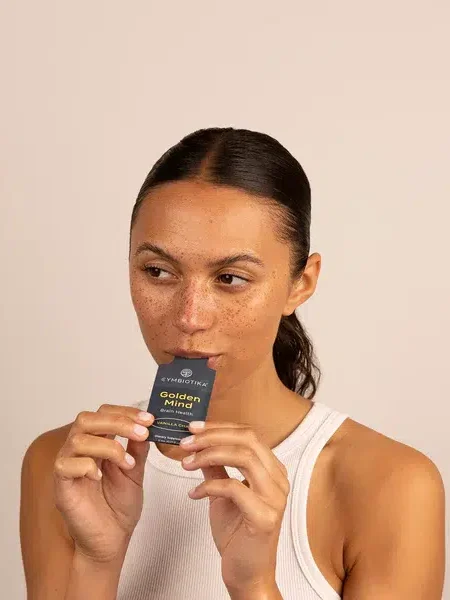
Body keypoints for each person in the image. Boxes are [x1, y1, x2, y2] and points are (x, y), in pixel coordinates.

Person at [20, 127, 445, 600]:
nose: (189, 317)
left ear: (300, 284)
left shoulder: (390, 486)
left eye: (230, 278)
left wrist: (254, 586)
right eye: (158, 271)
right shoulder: (68, 465)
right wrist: (97, 562)